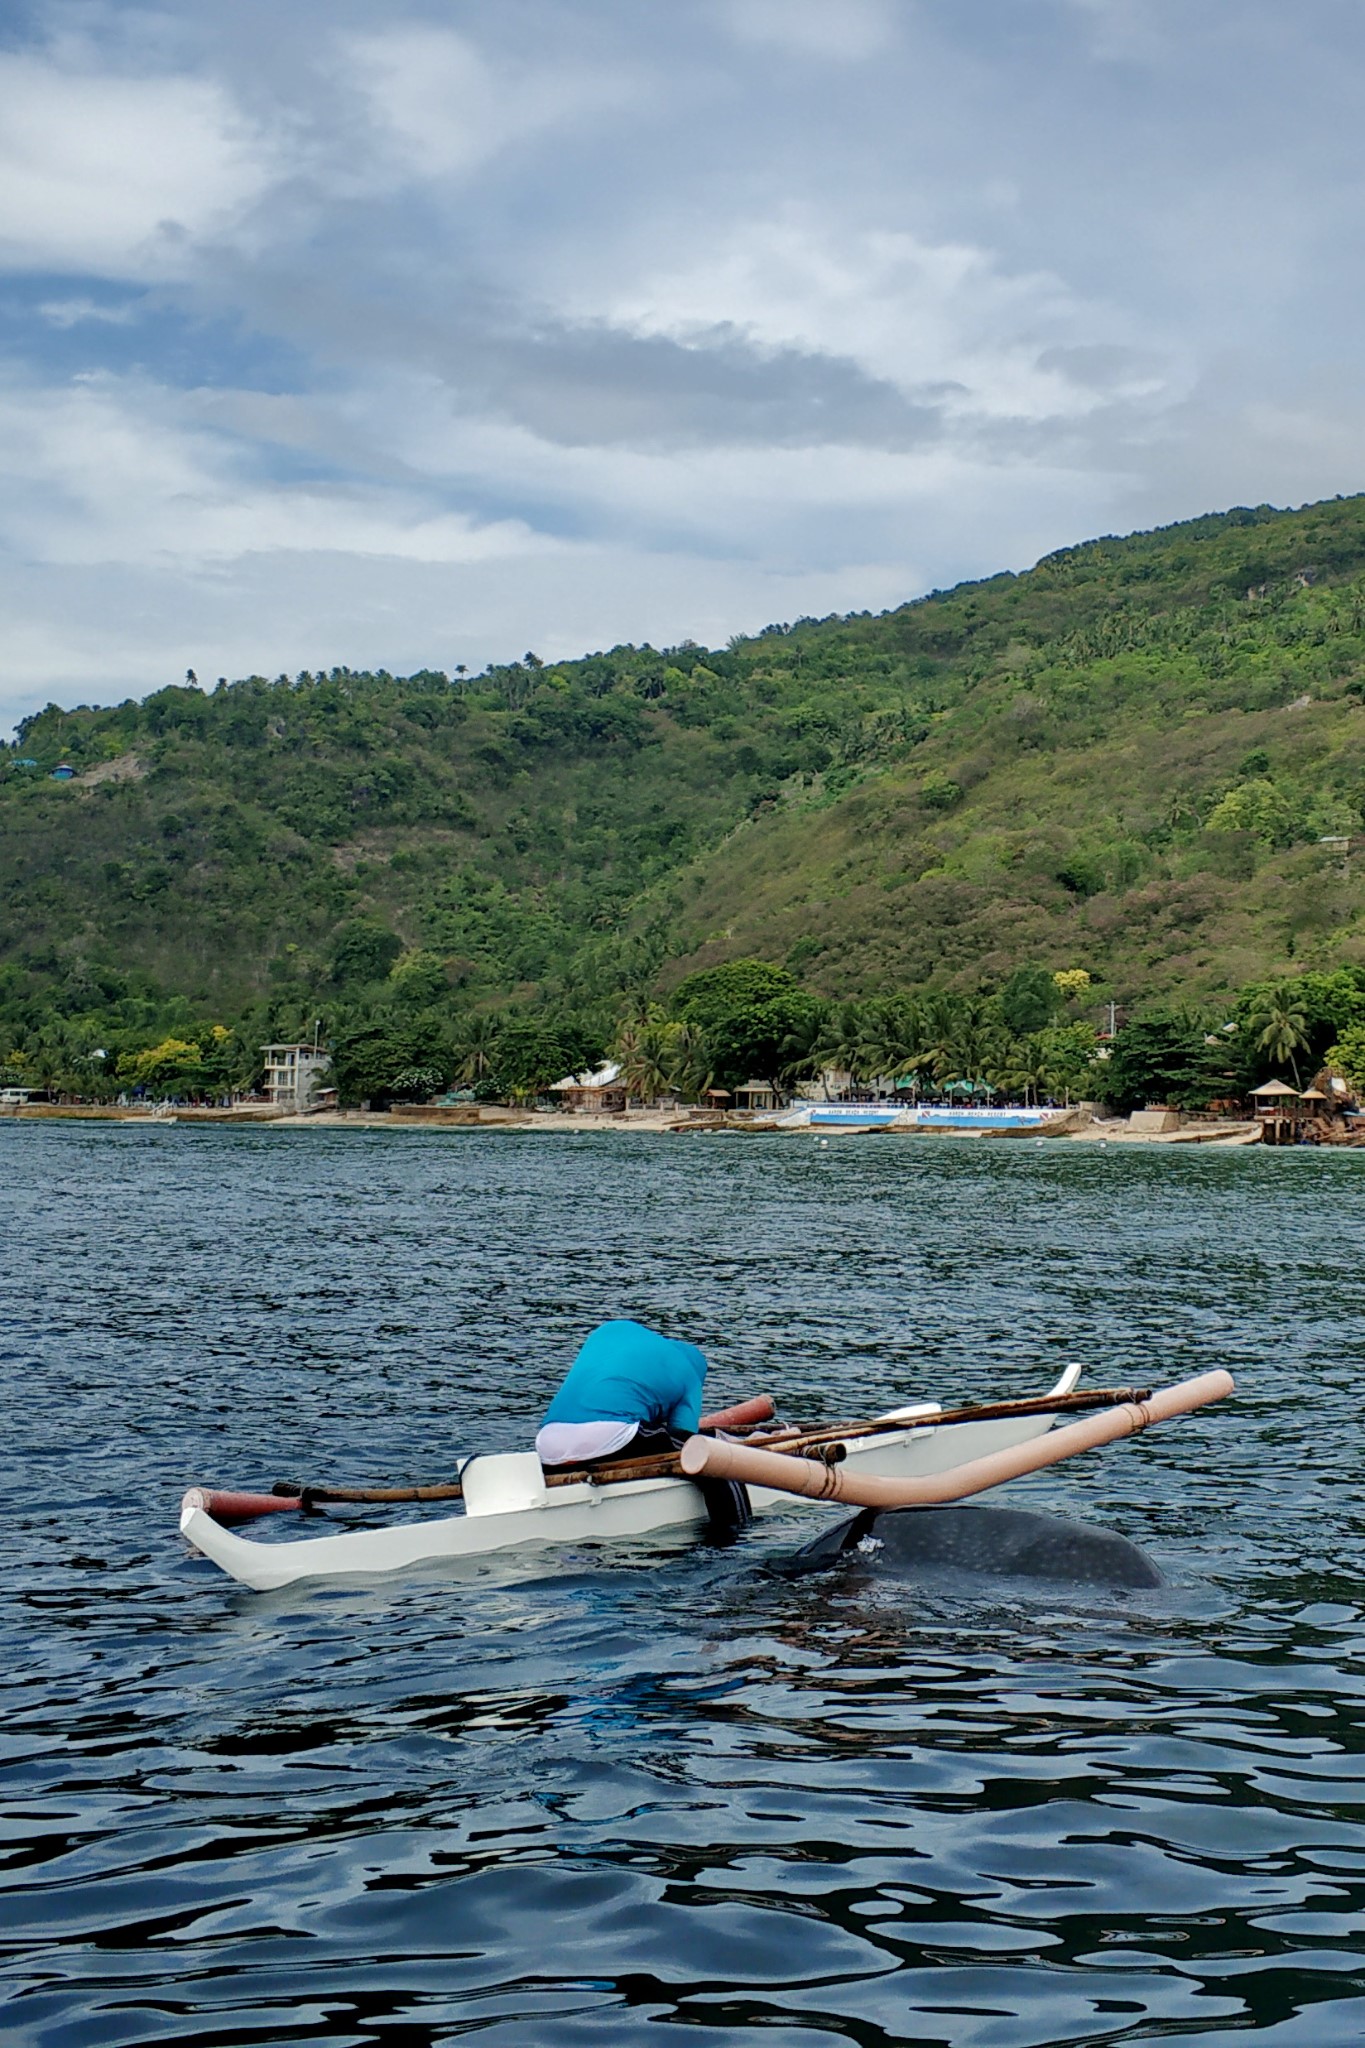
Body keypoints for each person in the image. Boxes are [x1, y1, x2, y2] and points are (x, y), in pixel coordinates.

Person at [536, 1318, 750, 1537]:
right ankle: (737, 1539)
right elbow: (688, 1440)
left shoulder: (612, 1331)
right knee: (715, 1460)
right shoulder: (690, 1373)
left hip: (548, 1443)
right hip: (610, 1435)